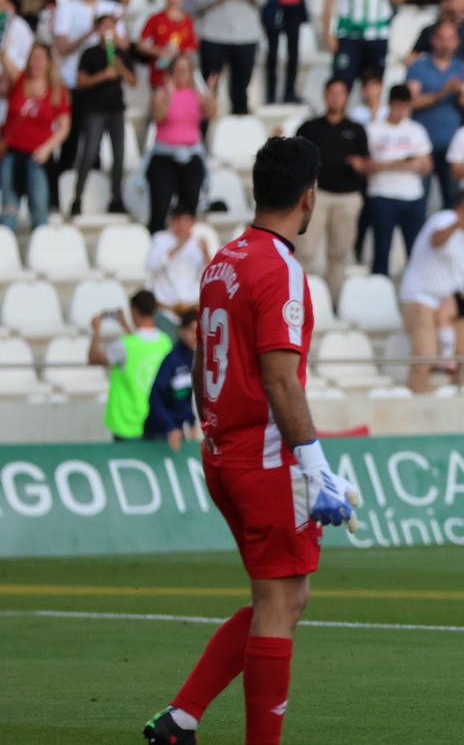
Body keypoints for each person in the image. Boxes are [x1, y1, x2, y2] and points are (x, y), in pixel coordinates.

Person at [141, 136, 360, 745]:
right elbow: (279, 378)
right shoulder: (279, 268)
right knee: (281, 603)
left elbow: (208, 362)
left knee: (283, 597)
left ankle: (181, 719)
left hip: (224, 454)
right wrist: (316, 467)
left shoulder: (223, 260)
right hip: (266, 459)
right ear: (309, 198)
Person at [398, 189, 464, 394]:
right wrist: (460, 220)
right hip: (420, 298)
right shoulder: (445, 218)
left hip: (451, 303)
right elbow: (437, 240)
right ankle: (416, 404)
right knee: (425, 357)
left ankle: (461, 405)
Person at [295, 77, 370, 298]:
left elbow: (366, 164)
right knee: (306, 251)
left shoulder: (356, 130)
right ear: (325, 95)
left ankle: (333, 301)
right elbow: (297, 158)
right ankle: (298, 299)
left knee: (339, 253)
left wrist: (360, 165)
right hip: (317, 196)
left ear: (347, 97)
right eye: (332, 93)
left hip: (347, 197)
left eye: (341, 93)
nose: (336, 97)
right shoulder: (309, 128)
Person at [71, 12, 135, 216]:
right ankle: (77, 197)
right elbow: (80, 82)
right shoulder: (89, 54)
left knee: (119, 156)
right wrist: (102, 76)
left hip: (116, 110)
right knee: (88, 154)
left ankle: (116, 197)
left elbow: (133, 81)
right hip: (95, 110)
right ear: (97, 30)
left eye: (111, 26)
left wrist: (120, 67)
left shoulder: (120, 54)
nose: (108, 31)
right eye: (104, 27)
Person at [406, 20, 464, 207]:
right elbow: (410, 102)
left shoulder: (463, 69)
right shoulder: (418, 67)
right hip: (422, 145)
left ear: (457, 41)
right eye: (442, 38)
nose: (446, 43)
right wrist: (442, 93)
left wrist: (463, 98)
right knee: (419, 199)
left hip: (452, 144)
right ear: (434, 41)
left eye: (450, 38)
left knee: (453, 201)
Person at [87, 289, 172, 442]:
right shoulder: (165, 342)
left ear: (133, 310)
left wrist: (96, 331)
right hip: (156, 418)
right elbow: (142, 341)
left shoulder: (124, 345)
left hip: (127, 421)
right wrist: (125, 326)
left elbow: (93, 358)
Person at [0, 43, 69, 230]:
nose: (36, 62)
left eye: (40, 58)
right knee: (9, 208)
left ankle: (41, 251)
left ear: (48, 62)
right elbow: (5, 58)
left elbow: (64, 127)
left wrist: (47, 148)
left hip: (37, 157)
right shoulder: (20, 80)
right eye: (33, 57)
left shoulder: (57, 89)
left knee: (39, 209)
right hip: (11, 153)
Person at [367, 86, 433, 275]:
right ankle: (380, 290)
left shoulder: (416, 130)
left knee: (415, 249)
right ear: (389, 104)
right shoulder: (373, 129)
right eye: (398, 106)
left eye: (405, 107)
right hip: (382, 194)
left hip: (412, 196)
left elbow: (426, 166)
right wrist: (404, 162)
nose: (401, 111)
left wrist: (387, 163)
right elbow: (367, 166)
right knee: (382, 249)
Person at [146, 54, 214, 232]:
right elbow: (156, 117)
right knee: (160, 208)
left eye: (186, 70)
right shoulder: (161, 93)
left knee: (189, 208)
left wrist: (208, 93)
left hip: (190, 155)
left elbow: (212, 114)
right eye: (178, 69)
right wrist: (168, 95)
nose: (182, 73)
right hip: (164, 156)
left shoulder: (196, 95)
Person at [52, 0, 126, 92]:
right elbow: (61, 48)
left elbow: (123, 46)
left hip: (107, 84)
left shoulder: (114, 8)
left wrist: (109, 30)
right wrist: (91, 31)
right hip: (72, 80)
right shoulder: (65, 8)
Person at [145, 309, 198, 450]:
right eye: (192, 331)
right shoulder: (172, 360)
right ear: (181, 331)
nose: (196, 336)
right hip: (160, 431)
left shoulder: (197, 359)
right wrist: (170, 427)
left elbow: (186, 398)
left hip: (181, 429)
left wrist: (192, 423)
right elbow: (155, 397)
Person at [146, 206, 213, 315]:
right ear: (171, 221)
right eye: (178, 221)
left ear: (193, 223)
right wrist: (178, 246)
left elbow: (209, 273)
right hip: (165, 307)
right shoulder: (160, 239)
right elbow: (151, 267)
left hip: (192, 306)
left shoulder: (200, 242)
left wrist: (205, 252)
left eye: (186, 221)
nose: (182, 226)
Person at [138, 0, 198, 91]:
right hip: (160, 76)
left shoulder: (188, 20)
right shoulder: (155, 19)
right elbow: (141, 44)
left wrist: (180, 55)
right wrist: (159, 51)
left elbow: (192, 47)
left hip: (182, 79)